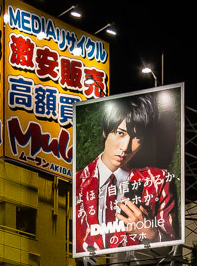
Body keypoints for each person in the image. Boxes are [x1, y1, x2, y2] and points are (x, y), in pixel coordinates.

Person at [74, 92, 177, 253]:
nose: (125, 147)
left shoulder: (158, 181)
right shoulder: (77, 183)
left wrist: (152, 234)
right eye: (120, 133)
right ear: (105, 131)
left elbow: (171, 248)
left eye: (137, 138)